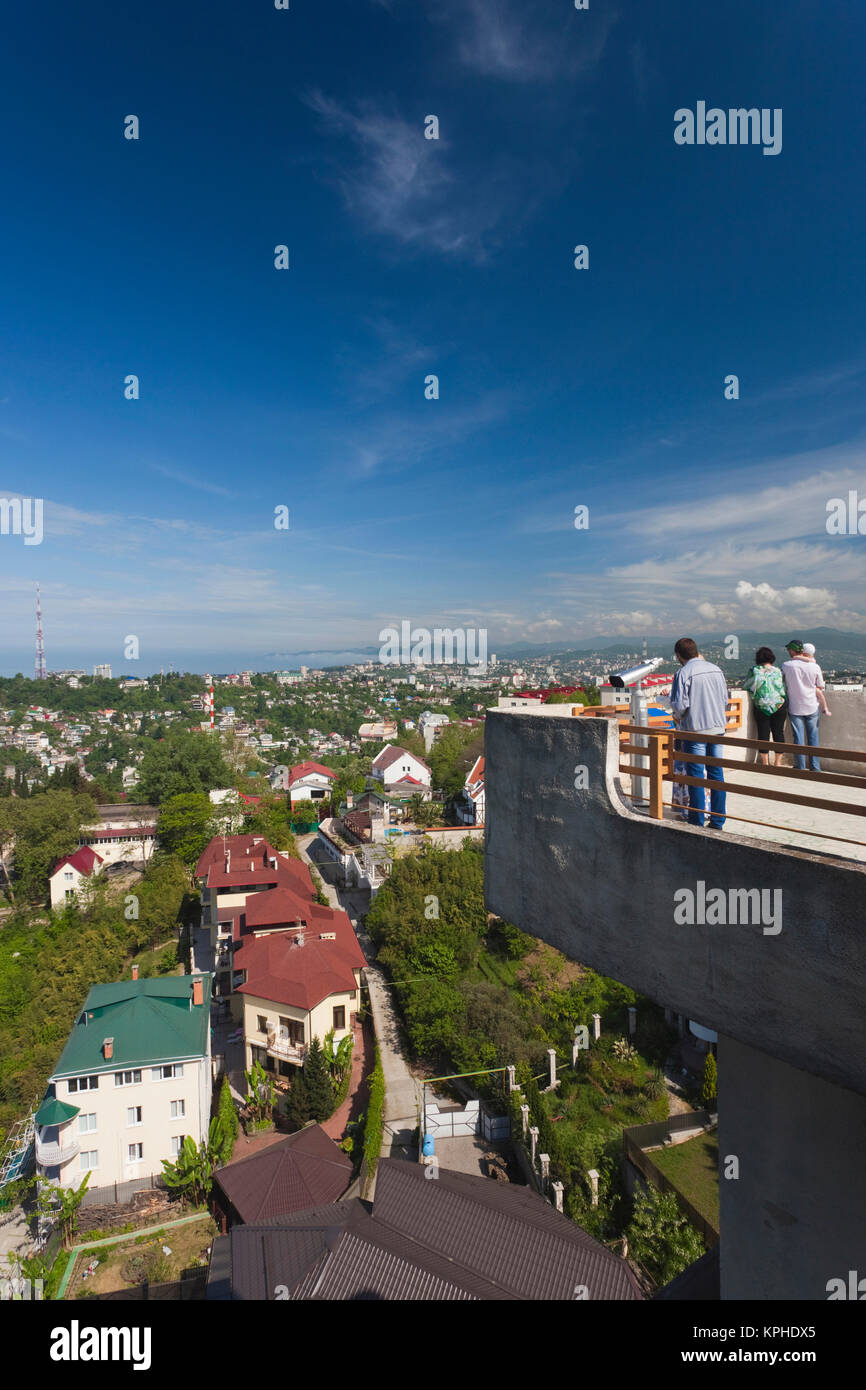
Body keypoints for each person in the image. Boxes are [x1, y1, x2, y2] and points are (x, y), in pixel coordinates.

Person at [670, 637, 729, 829]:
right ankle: (718, 820)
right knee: (716, 775)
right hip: (717, 729)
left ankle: (697, 820)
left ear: (679, 655)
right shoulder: (716, 669)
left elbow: (680, 706)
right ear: (696, 651)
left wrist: (677, 715)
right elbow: (724, 700)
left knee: (696, 778)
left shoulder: (683, 673)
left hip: (695, 730)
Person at [781, 640, 831, 771]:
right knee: (813, 738)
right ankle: (815, 768)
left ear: (794, 650)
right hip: (811, 705)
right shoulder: (815, 667)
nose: (788, 652)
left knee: (798, 738)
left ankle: (800, 767)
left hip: (795, 706)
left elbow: (782, 683)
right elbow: (820, 686)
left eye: (789, 650)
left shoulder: (786, 665)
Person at [742, 647, 787, 766]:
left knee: (763, 733)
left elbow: (747, 686)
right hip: (779, 704)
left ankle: (765, 763)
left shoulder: (754, 670)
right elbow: (782, 687)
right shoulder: (778, 671)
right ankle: (777, 763)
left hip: (762, 705)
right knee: (778, 733)